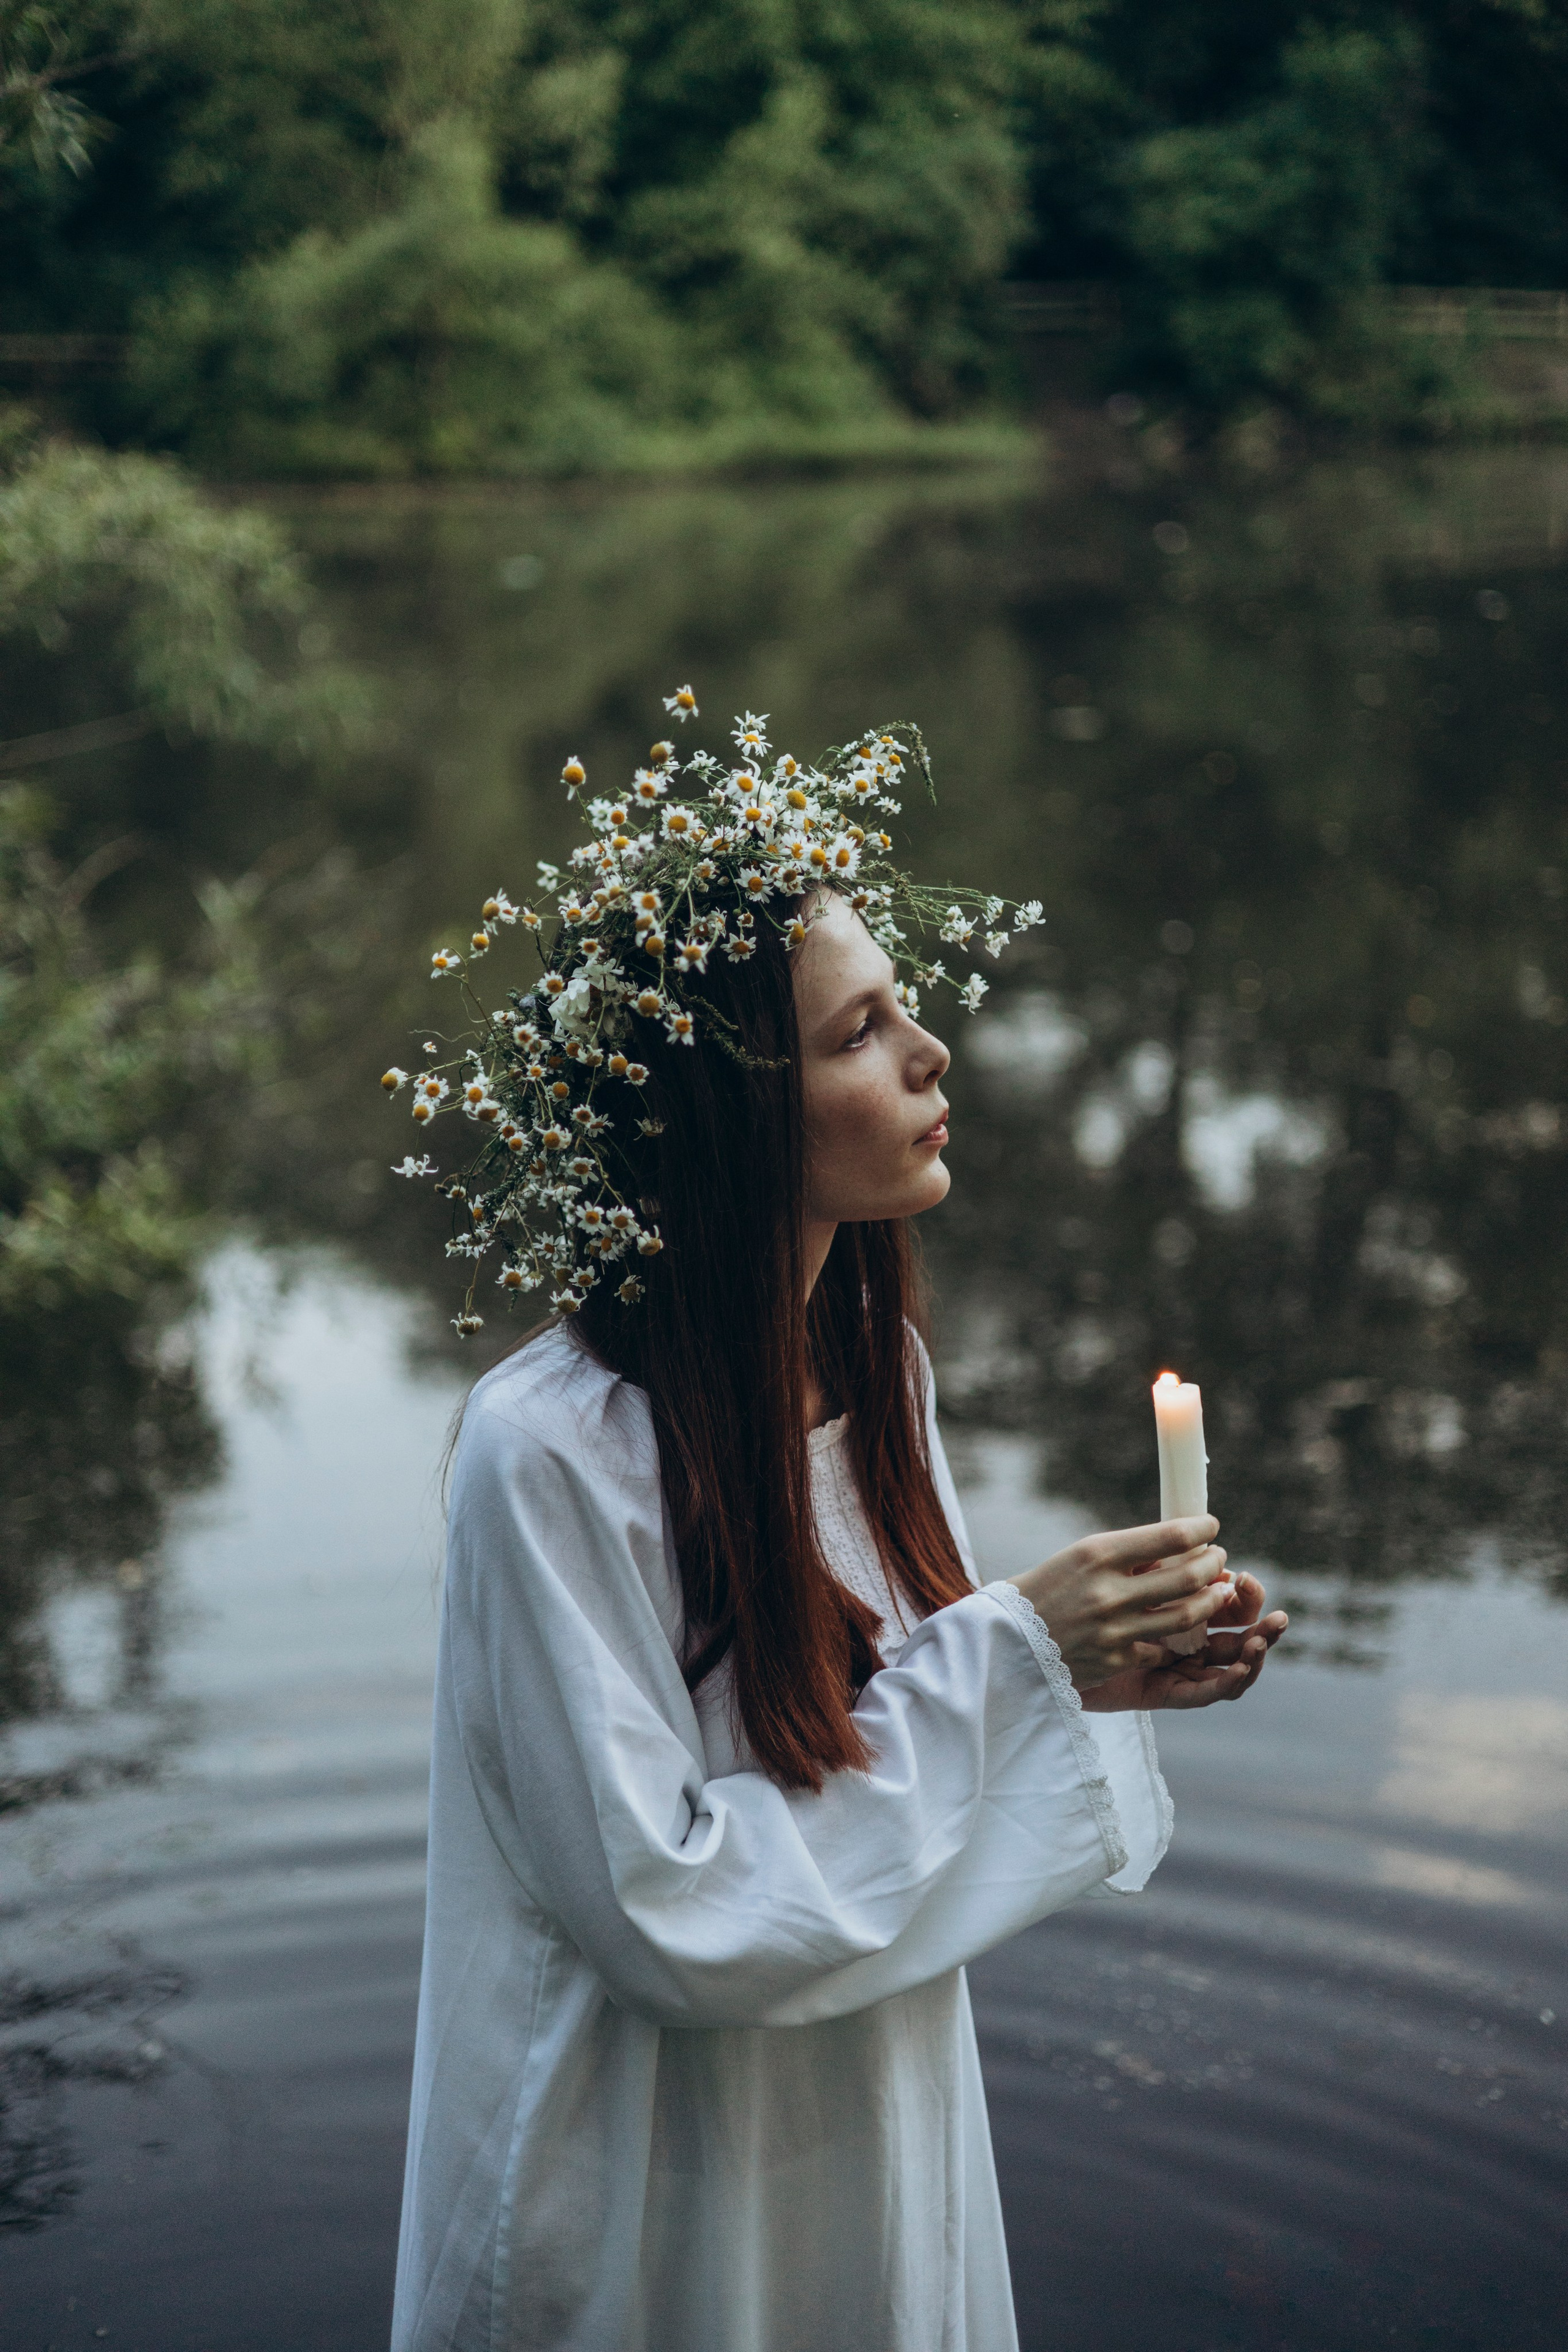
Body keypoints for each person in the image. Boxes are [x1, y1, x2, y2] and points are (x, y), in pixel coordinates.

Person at [387, 707, 1286, 2352]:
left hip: (868, 2102)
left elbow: (878, 1728)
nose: (930, 1054)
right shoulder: (551, 1454)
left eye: (902, 1008)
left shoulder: (879, 1374)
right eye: (861, 1031)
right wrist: (1021, 1655)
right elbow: (668, 1912)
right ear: (733, 1118)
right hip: (653, 2169)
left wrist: (1100, 1672)